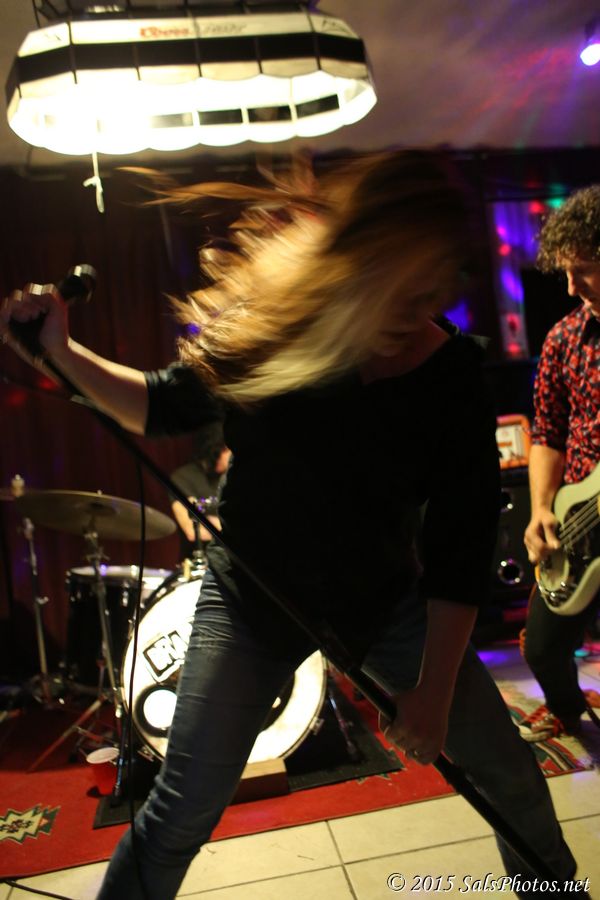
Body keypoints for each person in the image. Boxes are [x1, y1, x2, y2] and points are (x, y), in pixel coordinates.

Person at [1, 151, 582, 899]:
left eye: (433, 292)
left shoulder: (450, 378)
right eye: (400, 289)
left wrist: (433, 692)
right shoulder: (284, 332)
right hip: (251, 598)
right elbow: (161, 404)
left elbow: (459, 543)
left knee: (509, 779)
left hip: (382, 601)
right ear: (359, 262)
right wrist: (59, 351)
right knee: (182, 805)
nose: (414, 312)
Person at [520, 185, 600, 743]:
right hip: (580, 518)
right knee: (543, 647)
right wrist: (541, 510)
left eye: (584, 270)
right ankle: (567, 709)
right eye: (565, 271)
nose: (570, 287)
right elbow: (547, 432)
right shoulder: (564, 338)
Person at [169, 422, 231, 562]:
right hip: (199, 562)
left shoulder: (232, 475)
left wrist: (212, 521)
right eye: (228, 449)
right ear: (216, 449)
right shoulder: (183, 477)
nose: (233, 454)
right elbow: (193, 530)